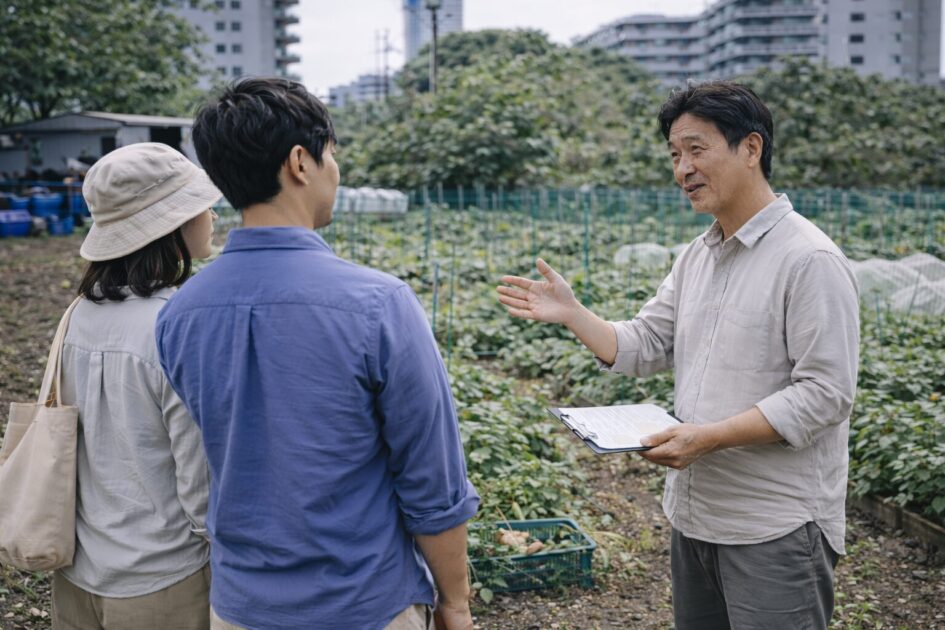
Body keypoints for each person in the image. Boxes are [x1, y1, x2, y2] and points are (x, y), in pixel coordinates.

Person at [497, 81, 859, 630]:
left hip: (774, 524)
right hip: (695, 516)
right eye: (673, 154)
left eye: (696, 149)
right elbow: (646, 343)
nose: (681, 168)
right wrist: (573, 313)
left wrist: (708, 437)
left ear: (751, 149)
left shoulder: (809, 260)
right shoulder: (699, 255)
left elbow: (825, 394)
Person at [155, 77, 480, 630]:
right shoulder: (379, 304)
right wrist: (456, 601)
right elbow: (433, 484)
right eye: (332, 153)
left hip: (240, 607)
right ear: (300, 162)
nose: (336, 169)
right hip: (363, 604)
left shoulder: (180, 314)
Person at [54, 142, 221, 629]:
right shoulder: (178, 326)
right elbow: (200, 485)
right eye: (199, 204)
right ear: (172, 224)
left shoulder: (79, 313)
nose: (211, 214)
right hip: (162, 580)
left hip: (78, 569)